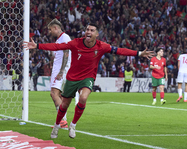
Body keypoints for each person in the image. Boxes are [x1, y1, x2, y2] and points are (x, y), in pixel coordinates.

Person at [23, 23, 154, 139]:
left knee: (83, 98)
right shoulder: (75, 43)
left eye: (92, 30)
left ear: (96, 34)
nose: (88, 32)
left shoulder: (101, 46)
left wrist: (138, 53)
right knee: (64, 105)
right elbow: (57, 47)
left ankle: (73, 125)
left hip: (87, 78)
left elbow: (119, 50)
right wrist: (38, 46)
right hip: (72, 78)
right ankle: (57, 125)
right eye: (87, 30)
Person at [46, 18, 79, 128]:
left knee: (53, 93)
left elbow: (66, 54)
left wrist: (61, 71)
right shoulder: (59, 39)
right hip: (59, 69)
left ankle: (62, 120)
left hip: (61, 70)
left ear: (56, 28)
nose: (49, 32)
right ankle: (62, 121)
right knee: (59, 95)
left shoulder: (65, 38)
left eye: (50, 29)